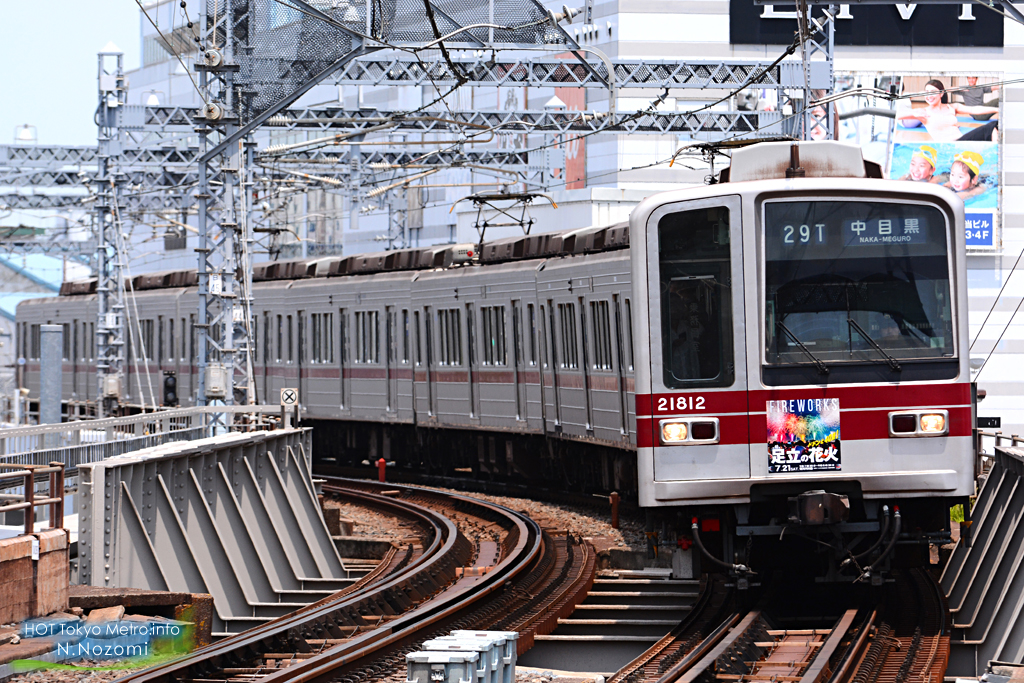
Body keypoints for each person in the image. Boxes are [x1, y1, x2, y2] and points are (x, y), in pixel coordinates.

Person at [898, 79, 999, 142]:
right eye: (927, 92)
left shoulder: (952, 107)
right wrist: (912, 113)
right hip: (951, 146)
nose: (929, 96)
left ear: (941, 94)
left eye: (933, 92)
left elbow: (974, 109)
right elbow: (896, 116)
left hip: (962, 141)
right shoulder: (924, 112)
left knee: (996, 127)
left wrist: (997, 109)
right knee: (991, 127)